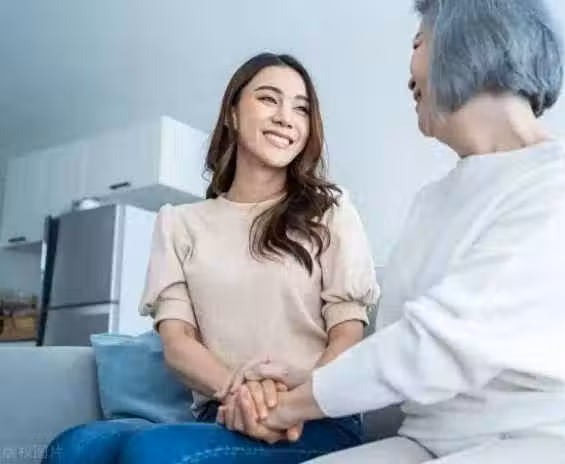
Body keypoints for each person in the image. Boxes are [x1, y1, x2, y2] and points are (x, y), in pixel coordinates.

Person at [227, 1, 565, 463]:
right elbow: (399, 356)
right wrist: (304, 383)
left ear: (471, 44)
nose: (408, 73)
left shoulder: (564, 185)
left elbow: (440, 347)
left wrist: (289, 407)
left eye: (418, 43)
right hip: (434, 440)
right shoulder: (431, 201)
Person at [42, 52, 379, 464]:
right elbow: (178, 343)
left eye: (301, 108)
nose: (285, 118)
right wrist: (242, 395)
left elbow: (347, 336)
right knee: (74, 447)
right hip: (222, 412)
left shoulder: (330, 210)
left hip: (316, 417)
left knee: (153, 451)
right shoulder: (179, 223)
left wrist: (292, 405)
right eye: (268, 99)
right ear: (232, 114)